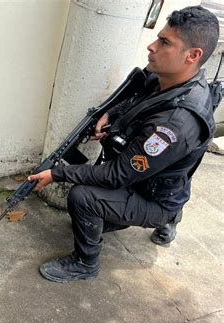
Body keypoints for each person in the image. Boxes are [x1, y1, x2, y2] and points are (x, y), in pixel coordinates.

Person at [28, 6, 220, 283]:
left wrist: (56, 173)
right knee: (98, 211)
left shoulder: (174, 125)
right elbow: (134, 102)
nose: (152, 47)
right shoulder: (165, 77)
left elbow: (117, 175)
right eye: (158, 38)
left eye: (165, 43)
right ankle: (168, 215)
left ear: (193, 56)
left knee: (83, 199)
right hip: (154, 178)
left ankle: (85, 263)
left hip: (154, 197)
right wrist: (111, 115)